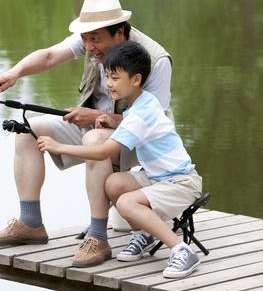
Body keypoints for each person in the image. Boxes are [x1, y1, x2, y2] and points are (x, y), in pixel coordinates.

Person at [0, 0, 173, 266]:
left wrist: (96, 116)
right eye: (85, 39)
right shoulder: (91, 39)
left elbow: (153, 123)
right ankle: (31, 223)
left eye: (95, 39)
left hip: (142, 142)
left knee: (95, 138)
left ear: (119, 32)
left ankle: (97, 237)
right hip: (93, 127)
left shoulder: (156, 60)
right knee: (27, 130)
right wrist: (15, 73)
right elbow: (49, 56)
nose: (89, 45)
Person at [38, 41, 203, 278]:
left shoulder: (140, 112)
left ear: (135, 79)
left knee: (126, 203)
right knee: (113, 183)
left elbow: (102, 152)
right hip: (158, 177)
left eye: (115, 78)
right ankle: (144, 233)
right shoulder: (141, 102)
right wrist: (113, 120)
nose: (108, 84)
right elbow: (134, 122)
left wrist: (58, 146)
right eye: (107, 76)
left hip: (180, 183)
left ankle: (181, 250)